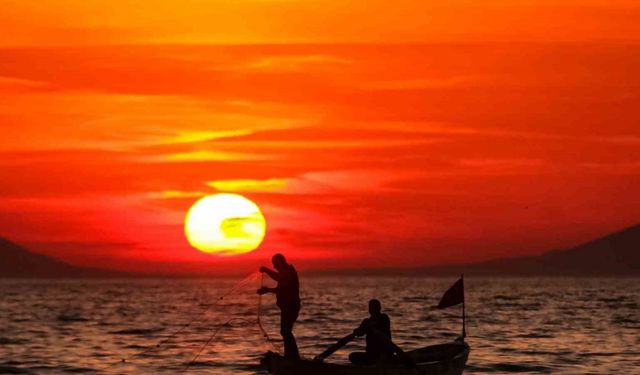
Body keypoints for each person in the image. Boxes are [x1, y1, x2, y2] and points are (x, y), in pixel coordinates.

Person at [257, 253, 301, 360]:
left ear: (281, 262)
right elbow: (278, 277)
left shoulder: (288, 272)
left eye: (275, 264)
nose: (274, 267)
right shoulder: (285, 272)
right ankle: (291, 356)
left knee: (285, 331)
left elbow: (282, 288)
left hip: (290, 306)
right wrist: (266, 270)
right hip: (288, 306)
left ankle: (292, 357)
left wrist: (267, 290)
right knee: (285, 331)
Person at [349, 299, 395, 365]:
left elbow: (378, 324)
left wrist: (369, 325)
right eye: (371, 308)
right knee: (352, 356)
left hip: (384, 353)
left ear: (379, 308)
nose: (372, 310)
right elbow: (360, 332)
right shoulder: (366, 321)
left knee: (383, 358)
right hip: (371, 355)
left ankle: (384, 362)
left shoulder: (384, 318)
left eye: (374, 307)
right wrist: (356, 331)